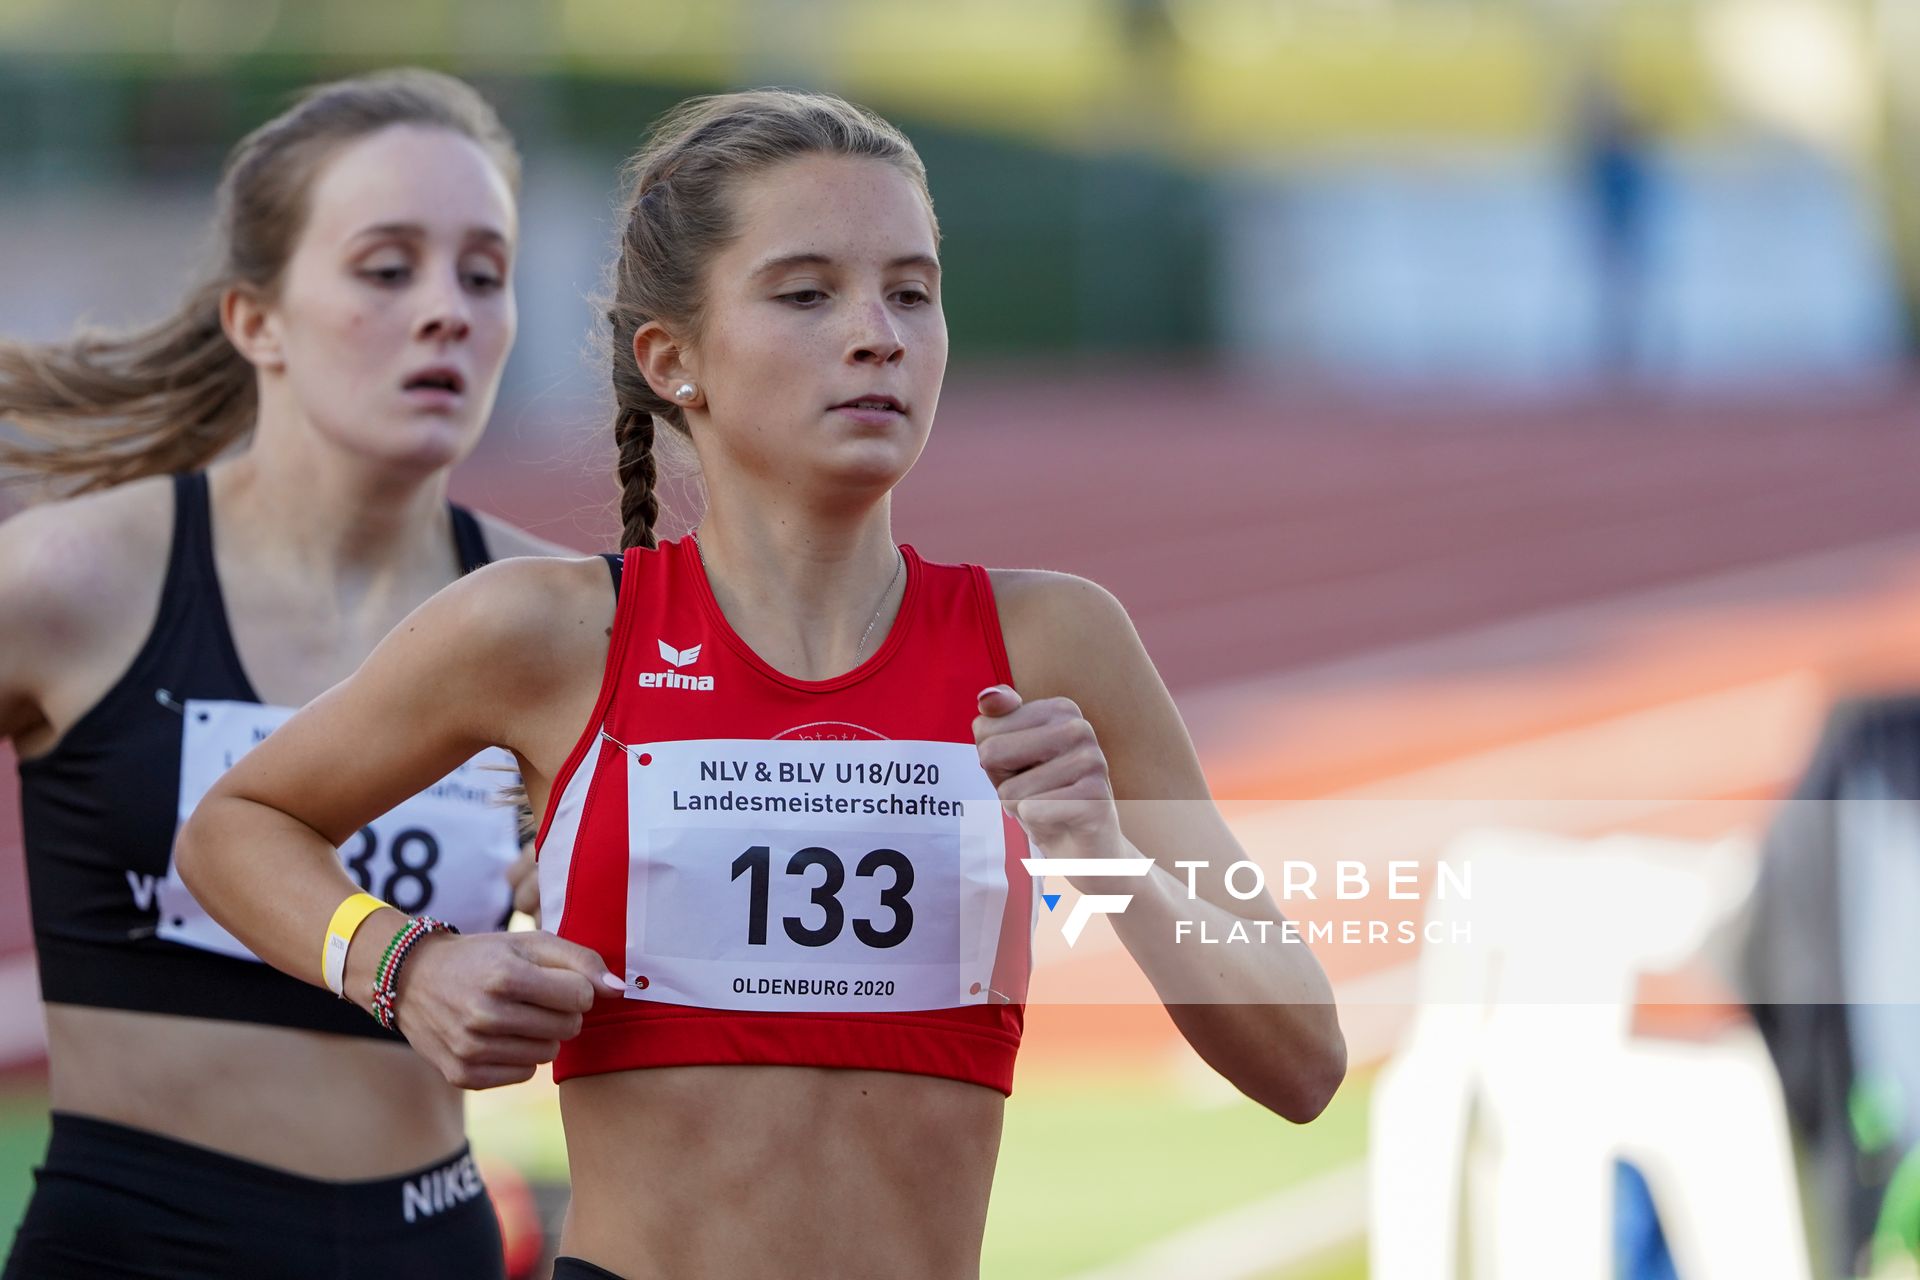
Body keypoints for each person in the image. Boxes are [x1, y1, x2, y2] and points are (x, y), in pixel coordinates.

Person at [176, 89, 1348, 1280]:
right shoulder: (547, 631)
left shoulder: (1056, 641)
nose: (879, 333)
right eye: (807, 293)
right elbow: (238, 824)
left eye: (911, 291)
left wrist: (1103, 851)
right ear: (673, 360)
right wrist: (404, 964)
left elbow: (1302, 1064)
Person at [0, 68, 578, 1278]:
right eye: (386, 268)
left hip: (432, 1247)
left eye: (484, 273)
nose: (448, 312)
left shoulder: (560, 622)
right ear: (255, 318)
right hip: (133, 1249)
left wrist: (557, 893)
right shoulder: (71, 583)